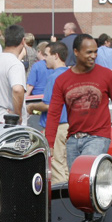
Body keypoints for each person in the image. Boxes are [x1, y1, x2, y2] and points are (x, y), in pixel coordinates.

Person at [45, 34, 112, 168]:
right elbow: (54, 113)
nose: (93, 56)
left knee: (86, 173)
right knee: (76, 180)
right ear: (76, 52)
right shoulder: (62, 80)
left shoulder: (106, 75)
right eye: (89, 52)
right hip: (73, 139)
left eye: (95, 52)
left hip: (98, 137)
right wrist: (49, 143)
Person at [27, 42, 72, 183]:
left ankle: (61, 195)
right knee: (66, 167)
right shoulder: (71, 74)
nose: (44, 58)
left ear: (56, 56)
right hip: (69, 126)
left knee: (56, 166)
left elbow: (48, 105)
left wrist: (31, 107)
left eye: (46, 55)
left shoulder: (54, 77)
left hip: (56, 128)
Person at [0, 24, 28, 124]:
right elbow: (17, 89)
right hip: (8, 123)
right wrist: (17, 116)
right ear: (23, 41)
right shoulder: (15, 64)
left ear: (5, 40)